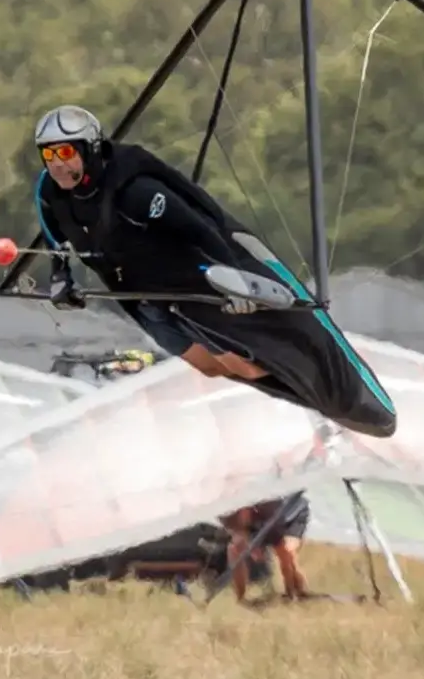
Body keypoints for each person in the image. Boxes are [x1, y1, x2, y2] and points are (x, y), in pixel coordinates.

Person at [28, 104, 397, 439]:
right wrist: (61, 277)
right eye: (49, 154)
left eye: (66, 152)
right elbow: (53, 235)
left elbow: (201, 229)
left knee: (245, 364)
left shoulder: (136, 192)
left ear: (90, 149)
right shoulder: (51, 192)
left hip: (199, 277)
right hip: (146, 298)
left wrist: (235, 281)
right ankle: (314, 399)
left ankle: (338, 397)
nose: (58, 164)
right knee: (212, 367)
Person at [220, 494, 311, 602]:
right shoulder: (228, 509)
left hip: (290, 515)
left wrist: (256, 549)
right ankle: (241, 599)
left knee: (287, 551)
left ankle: (293, 594)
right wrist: (249, 545)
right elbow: (236, 532)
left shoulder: (270, 507)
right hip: (260, 520)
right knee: (234, 550)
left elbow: (278, 542)